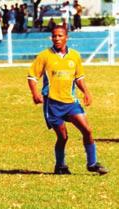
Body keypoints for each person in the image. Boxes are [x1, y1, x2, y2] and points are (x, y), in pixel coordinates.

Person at [27, 25, 108, 175]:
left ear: (66, 37)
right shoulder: (44, 56)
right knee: (63, 137)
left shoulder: (75, 56)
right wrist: (35, 93)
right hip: (52, 104)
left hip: (71, 102)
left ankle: (92, 163)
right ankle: (60, 165)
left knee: (87, 130)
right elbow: (32, 77)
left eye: (60, 36)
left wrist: (86, 92)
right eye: (54, 36)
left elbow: (79, 78)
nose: (57, 39)